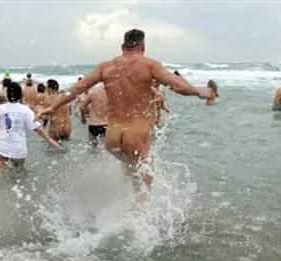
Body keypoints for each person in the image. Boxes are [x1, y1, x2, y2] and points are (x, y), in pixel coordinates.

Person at [37, 29, 207, 197]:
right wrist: (199, 91)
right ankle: (138, 213)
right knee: (145, 184)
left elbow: (75, 90)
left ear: (122, 46)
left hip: (112, 138)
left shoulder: (105, 67)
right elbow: (177, 85)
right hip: (136, 134)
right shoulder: (149, 65)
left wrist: (51, 107)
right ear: (143, 46)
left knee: (130, 173)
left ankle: (122, 209)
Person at [0, 81, 63, 173]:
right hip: (19, 148)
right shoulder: (26, 110)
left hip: (3, 146)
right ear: (20, 95)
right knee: (19, 173)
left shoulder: (0, 109)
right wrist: (49, 139)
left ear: (7, 95)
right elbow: (38, 129)